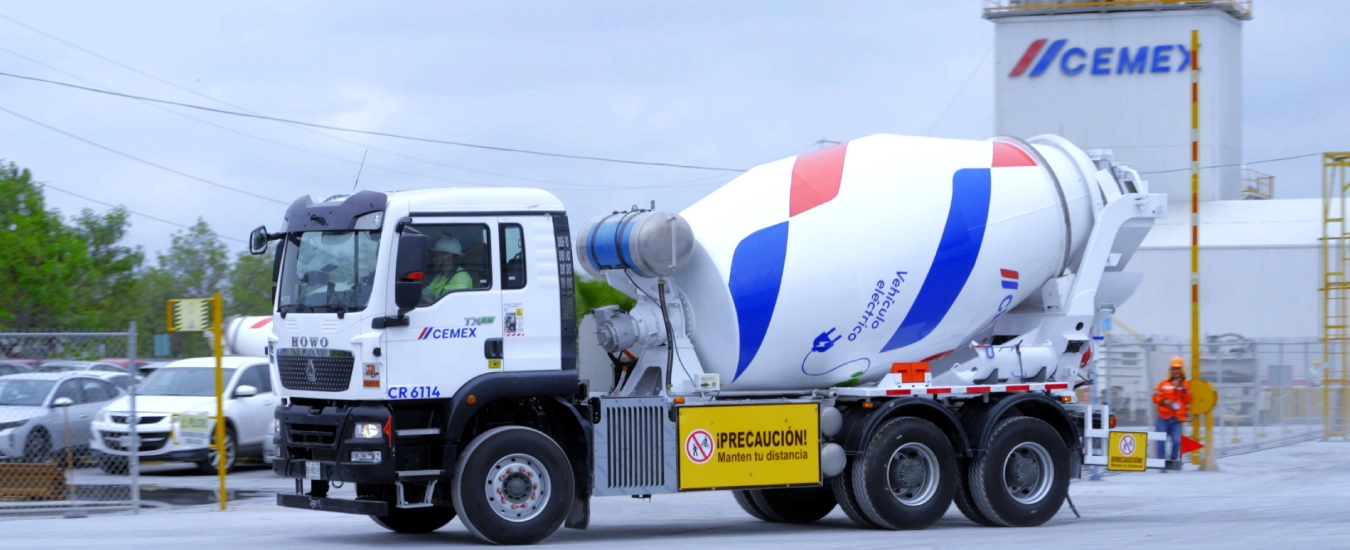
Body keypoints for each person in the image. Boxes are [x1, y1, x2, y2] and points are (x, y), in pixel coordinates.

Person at [1153, 357, 1192, 466]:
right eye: (1174, 369)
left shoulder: (1186, 384)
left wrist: (1183, 389)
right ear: (1171, 370)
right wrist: (1164, 401)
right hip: (1163, 417)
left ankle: (1173, 460)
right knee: (1161, 441)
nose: (1176, 371)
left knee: (1176, 441)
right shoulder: (1163, 384)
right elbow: (1155, 397)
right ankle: (1161, 463)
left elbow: (1189, 400)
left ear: (1181, 370)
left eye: (1178, 369)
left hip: (1176, 419)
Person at [422, 236, 472, 302]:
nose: (434, 259)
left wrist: (428, 300)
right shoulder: (440, 277)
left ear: (448, 257)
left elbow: (450, 304)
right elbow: (424, 294)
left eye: (437, 255)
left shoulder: (462, 277)